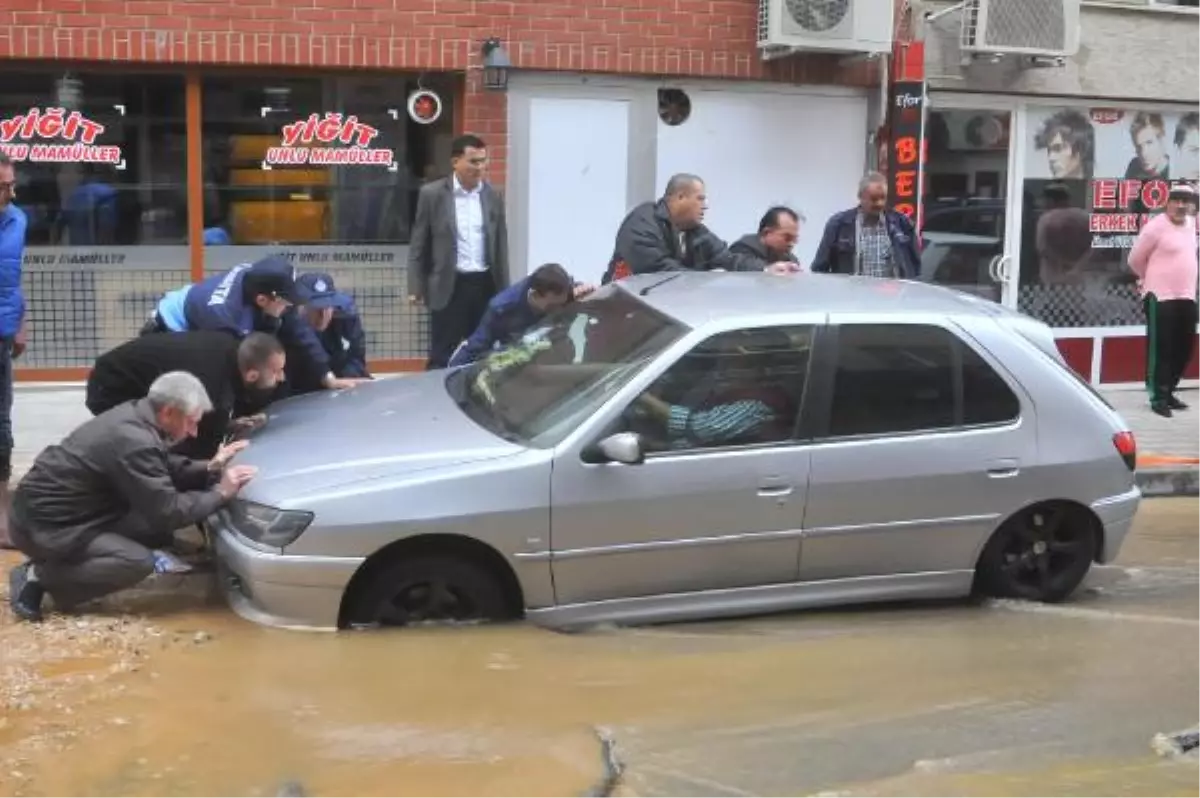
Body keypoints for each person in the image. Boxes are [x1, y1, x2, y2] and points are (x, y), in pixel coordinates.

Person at [6, 372, 257, 623]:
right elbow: (169, 511)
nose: (194, 432)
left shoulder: (135, 414)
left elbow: (161, 463)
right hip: (46, 527)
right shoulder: (133, 439)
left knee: (154, 531)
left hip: (68, 512)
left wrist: (210, 466)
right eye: (191, 422)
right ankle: (39, 576)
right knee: (135, 562)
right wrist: (220, 493)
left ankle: (64, 567)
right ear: (169, 412)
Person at [144, 255, 362, 393]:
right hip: (172, 328)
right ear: (262, 300)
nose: (289, 308)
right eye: (285, 303)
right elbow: (225, 373)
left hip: (205, 312)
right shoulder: (227, 320)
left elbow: (297, 329)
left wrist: (326, 376)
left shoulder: (262, 278)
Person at [85, 331, 286, 459]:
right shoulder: (213, 389)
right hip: (112, 386)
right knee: (147, 447)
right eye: (276, 372)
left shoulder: (230, 348)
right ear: (251, 375)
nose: (281, 378)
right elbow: (203, 453)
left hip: (129, 373)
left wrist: (228, 425)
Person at [407, 134, 510, 370]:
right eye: (474, 161)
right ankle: (434, 400)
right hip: (449, 285)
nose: (480, 167)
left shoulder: (493, 195)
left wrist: (504, 289)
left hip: (484, 284)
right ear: (455, 162)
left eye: (484, 161)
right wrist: (415, 286)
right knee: (443, 352)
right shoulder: (432, 194)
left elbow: (500, 245)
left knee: (481, 350)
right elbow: (419, 243)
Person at [603, 174, 792, 282]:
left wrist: (766, 270)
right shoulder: (642, 222)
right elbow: (659, 272)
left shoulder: (695, 231)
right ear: (680, 197)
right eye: (700, 198)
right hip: (624, 311)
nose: (706, 205)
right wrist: (706, 280)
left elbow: (727, 258)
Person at [1127, 183, 1198, 418]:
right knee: (1162, 349)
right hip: (1160, 296)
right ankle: (1157, 397)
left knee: (1184, 347)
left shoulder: (1190, 225)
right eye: (1176, 200)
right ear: (1167, 202)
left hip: (1186, 295)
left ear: (1192, 205)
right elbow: (1134, 260)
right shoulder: (1155, 228)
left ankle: (1169, 391)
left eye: (1185, 201)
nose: (1180, 205)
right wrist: (1148, 281)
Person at [447, 263, 596, 368]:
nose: (557, 310)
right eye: (552, 307)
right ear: (535, 295)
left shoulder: (564, 291)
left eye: (560, 304)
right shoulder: (501, 309)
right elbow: (475, 347)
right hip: (519, 361)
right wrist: (449, 373)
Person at [810, 172, 921, 279]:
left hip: (892, 297)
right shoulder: (839, 224)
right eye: (874, 199)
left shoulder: (902, 224)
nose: (879, 203)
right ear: (860, 196)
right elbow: (819, 268)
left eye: (883, 198)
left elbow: (916, 267)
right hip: (853, 296)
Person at [0, 152, 28, 549]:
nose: (8, 193)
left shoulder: (18, 219)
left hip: (2, 336)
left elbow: (16, 277)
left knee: (1, 428)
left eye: (11, 185)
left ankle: (1, 519)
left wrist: (21, 323)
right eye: (0, 187)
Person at [282, 272, 371, 397]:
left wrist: (346, 384)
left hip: (343, 389)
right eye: (315, 309)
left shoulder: (346, 317)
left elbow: (356, 356)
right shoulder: (288, 327)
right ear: (300, 308)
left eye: (327, 307)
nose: (323, 316)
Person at [729, 207, 804, 271]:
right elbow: (744, 266)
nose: (791, 243)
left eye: (795, 239)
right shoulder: (742, 249)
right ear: (767, 233)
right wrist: (768, 269)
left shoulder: (789, 258)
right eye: (787, 237)